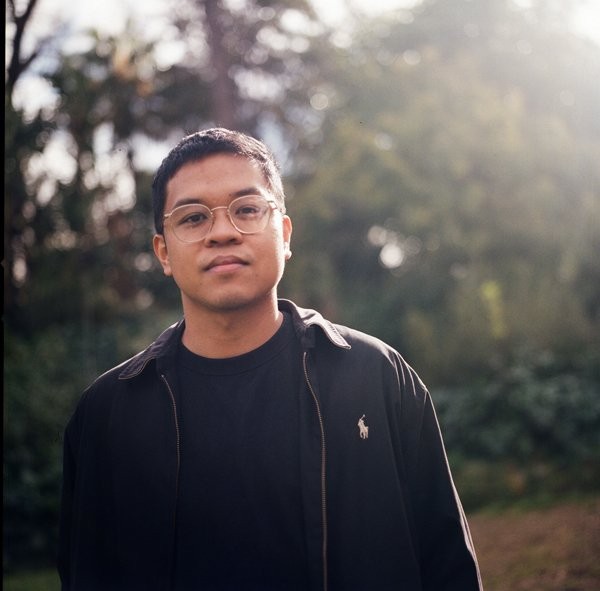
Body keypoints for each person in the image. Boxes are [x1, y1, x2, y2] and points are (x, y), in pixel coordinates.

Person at [58, 127, 482, 591]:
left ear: (283, 233)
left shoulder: (376, 377)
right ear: (163, 250)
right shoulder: (106, 416)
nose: (222, 232)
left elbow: (448, 567)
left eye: (246, 210)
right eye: (193, 218)